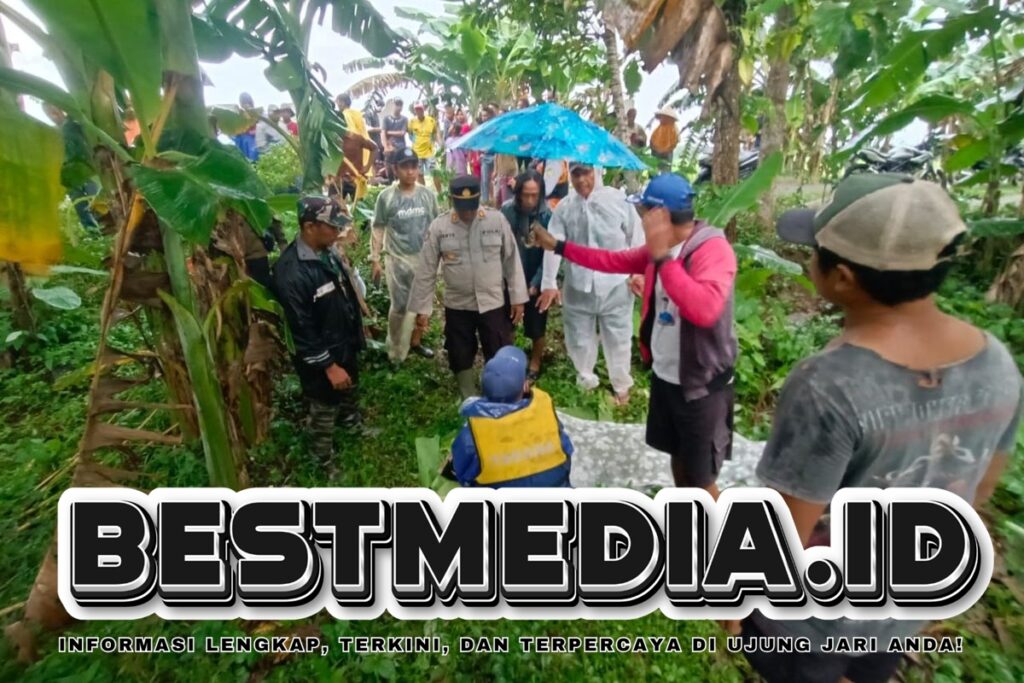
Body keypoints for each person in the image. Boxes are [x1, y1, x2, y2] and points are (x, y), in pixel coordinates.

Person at [736, 174, 1023, 682]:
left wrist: (737, 609)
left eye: (814, 251)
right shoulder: (997, 363)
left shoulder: (828, 385)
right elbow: (977, 494)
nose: (807, 261)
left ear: (842, 278)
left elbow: (784, 542)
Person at [534, 173, 736, 492]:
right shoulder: (663, 246)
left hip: (700, 385)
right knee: (679, 463)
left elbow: (705, 309)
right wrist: (557, 245)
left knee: (702, 478)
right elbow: (611, 260)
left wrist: (661, 259)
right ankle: (690, 520)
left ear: (659, 216)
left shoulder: (711, 249)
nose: (640, 219)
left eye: (644, 213)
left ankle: (721, 533)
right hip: (668, 376)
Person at [408, 175, 529, 399]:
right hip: (458, 304)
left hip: (492, 301)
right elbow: (426, 271)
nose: (467, 213)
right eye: (462, 208)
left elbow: (511, 260)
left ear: (478, 200)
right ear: (452, 201)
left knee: (498, 346)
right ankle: (468, 396)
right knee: (459, 350)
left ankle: (498, 392)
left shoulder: (496, 221)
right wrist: (422, 309)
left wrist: (518, 298)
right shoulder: (440, 227)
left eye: (471, 207)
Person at [537, 163, 644, 405]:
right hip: (578, 285)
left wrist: (637, 272)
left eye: (586, 172)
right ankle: (585, 382)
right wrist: (549, 282)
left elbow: (636, 237)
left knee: (619, 336)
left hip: (616, 285)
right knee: (579, 337)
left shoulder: (619, 201)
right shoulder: (565, 207)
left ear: (596, 171)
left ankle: (621, 388)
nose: (582, 179)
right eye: (576, 174)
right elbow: (553, 245)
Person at [272, 197, 366, 464]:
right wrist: (328, 365)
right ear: (310, 226)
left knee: (350, 388)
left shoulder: (327, 251)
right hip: (321, 354)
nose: (338, 232)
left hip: (342, 340)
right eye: (332, 226)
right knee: (324, 405)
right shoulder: (291, 272)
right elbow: (301, 329)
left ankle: (352, 425)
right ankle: (321, 459)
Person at [451, 346, 574, 487]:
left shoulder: (473, 432)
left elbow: (461, 473)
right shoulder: (544, 410)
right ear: (525, 387)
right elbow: (567, 451)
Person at [371, 148, 441, 363]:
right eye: (405, 167)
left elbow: (437, 225)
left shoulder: (427, 195)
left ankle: (416, 342)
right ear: (395, 169)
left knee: (422, 304)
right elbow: (378, 228)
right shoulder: (386, 197)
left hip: (424, 258)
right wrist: (375, 258)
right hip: (398, 259)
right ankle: (395, 350)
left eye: (414, 166)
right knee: (400, 307)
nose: (410, 171)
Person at [501, 170, 552, 381]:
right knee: (507, 321)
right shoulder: (507, 211)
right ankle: (508, 360)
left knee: (537, 323)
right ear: (518, 192)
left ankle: (535, 361)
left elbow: (550, 254)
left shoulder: (547, 215)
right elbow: (501, 247)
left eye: (535, 195)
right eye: (526, 194)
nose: (530, 200)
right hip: (512, 275)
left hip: (535, 273)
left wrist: (537, 282)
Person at [43, 104, 99, 231]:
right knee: (81, 208)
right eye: (47, 113)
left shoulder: (75, 123)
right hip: (69, 176)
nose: (51, 114)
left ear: (60, 109)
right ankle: (94, 234)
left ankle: (108, 231)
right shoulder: (53, 132)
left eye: (52, 110)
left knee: (97, 203)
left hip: (88, 170)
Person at [408, 102, 441, 190]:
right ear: (415, 111)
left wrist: (439, 143)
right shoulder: (412, 122)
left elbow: (435, 132)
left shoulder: (431, 120)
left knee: (435, 173)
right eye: (417, 110)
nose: (419, 111)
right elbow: (410, 134)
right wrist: (415, 143)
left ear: (423, 110)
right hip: (417, 152)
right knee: (419, 174)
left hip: (429, 152)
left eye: (420, 109)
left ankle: (440, 194)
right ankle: (424, 195)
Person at [382, 98, 410, 180]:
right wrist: (385, 147)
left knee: (400, 169)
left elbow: (402, 133)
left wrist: (389, 132)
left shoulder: (404, 119)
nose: (399, 107)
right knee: (389, 170)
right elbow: (383, 133)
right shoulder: (386, 119)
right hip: (389, 147)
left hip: (400, 148)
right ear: (393, 105)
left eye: (400, 105)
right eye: (397, 104)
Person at [233, 92, 259, 162]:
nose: (245, 105)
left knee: (253, 155)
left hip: (253, 138)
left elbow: (257, 126)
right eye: (243, 103)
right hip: (243, 138)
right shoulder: (240, 114)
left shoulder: (255, 113)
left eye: (247, 102)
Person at [445, 109, 470, 176]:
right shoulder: (461, 140)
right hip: (460, 166)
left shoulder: (449, 140)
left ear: (454, 130)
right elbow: (466, 153)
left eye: (451, 127)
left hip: (453, 166)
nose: (449, 128)